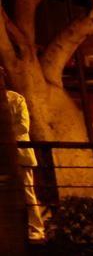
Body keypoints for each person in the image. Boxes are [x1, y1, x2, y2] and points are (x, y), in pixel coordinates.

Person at [1, 67, 43, 241]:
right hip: (4, 155)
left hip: (19, 153)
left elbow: (23, 126)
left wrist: (5, 136)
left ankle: (36, 228)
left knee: (27, 191)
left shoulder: (16, 99)